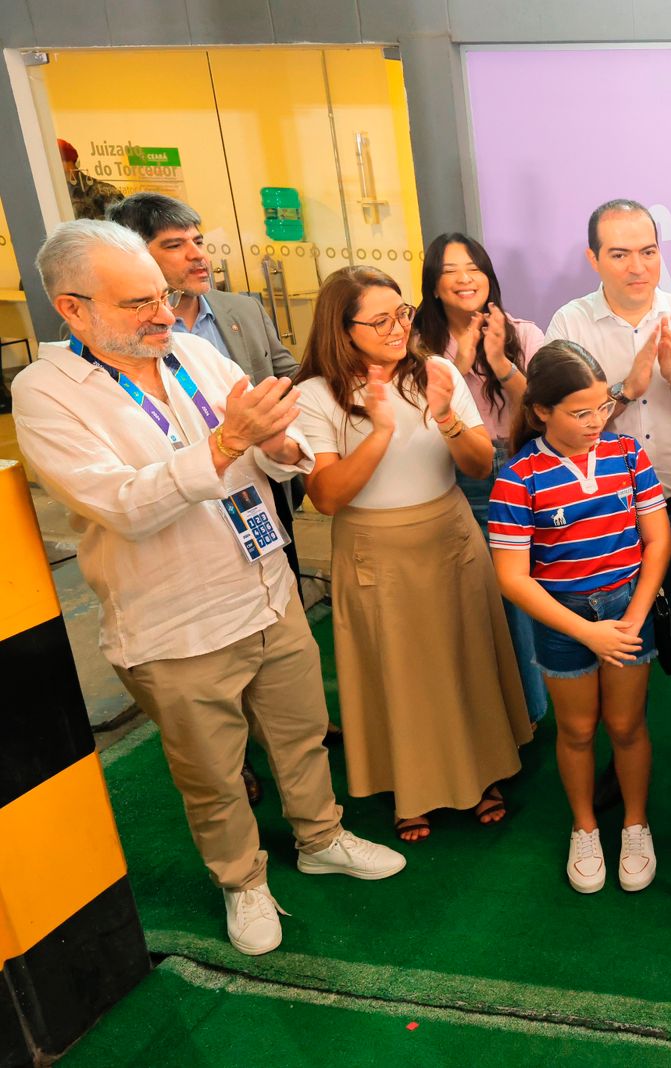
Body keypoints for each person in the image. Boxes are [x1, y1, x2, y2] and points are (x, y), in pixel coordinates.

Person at [13, 220, 403, 957]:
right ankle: (243, 881)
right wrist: (229, 441)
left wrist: (283, 445)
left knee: (300, 734)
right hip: (175, 624)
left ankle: (321, 837)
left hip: (266, 589)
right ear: (72, 309)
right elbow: (123, 505)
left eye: (162, 295)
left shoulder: (192, 352)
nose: (164, 313)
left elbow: (278, 455)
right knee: (213, 774)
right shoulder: (46, 393)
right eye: (138, 303)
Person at [294, 266, 531, 843]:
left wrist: (446, 415)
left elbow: (481, 465)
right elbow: (327, 497)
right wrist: (378, 432)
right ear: (342, 329)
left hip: (449, 534)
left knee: (465, 657)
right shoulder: (317, 394)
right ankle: (411, 788)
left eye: (401, 313)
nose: (398, 328)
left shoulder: (437, 372)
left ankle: (482, 772)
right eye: (379, 321)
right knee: (397, 673)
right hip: (374, 547)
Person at [109, 191, 312, 806]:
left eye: (198, 241)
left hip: (259, 502)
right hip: (181, 540)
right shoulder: (101, 357)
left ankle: (286, 736)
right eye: (175, 245)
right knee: (208, 686)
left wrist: (291, 423)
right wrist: (233, 437)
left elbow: (284, 372)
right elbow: (120, 498)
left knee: (280, 630)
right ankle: (237, 759)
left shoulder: (237, 309)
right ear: (131, 259)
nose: (198, 255)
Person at [545, 199, 671, 807]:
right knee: (620, 646)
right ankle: (621, 754)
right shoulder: (570, 325)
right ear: (593, 258)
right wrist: (625, 391)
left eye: (647, 252)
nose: (636, 267)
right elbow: (557, 429)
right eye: (620, 254)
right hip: (605, 522)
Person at [489, 340, 671, 894]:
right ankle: (585, 827)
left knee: (627, 726)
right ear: (541, 411)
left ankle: (635, 825)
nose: (596, 422)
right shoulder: (518, 477)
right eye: (580, 412)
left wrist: (633, 618)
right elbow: (513, 578)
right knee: (576, 730)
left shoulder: (628, 455)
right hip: (562, 621)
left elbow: (658, 542)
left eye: (602, 407)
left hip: (627, 611)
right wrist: (587, 632)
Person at [413, 232, 550, 726]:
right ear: (433, 285)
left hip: (518, 466)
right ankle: (476, 710)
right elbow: (419, 415)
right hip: (450, 470)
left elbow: (539, 412)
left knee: (518, 592)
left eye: (473, 268)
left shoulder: (523, 333)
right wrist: (458, 362)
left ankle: (528, 707)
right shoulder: (416, 342)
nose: (464, 279)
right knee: (463, 594)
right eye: (450, 271)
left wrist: (500, 364)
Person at [56, 139, 124, 219]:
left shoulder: (102, 191)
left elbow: (123, 222)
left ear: (70, 162)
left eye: (61, 161)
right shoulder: (56, 195)